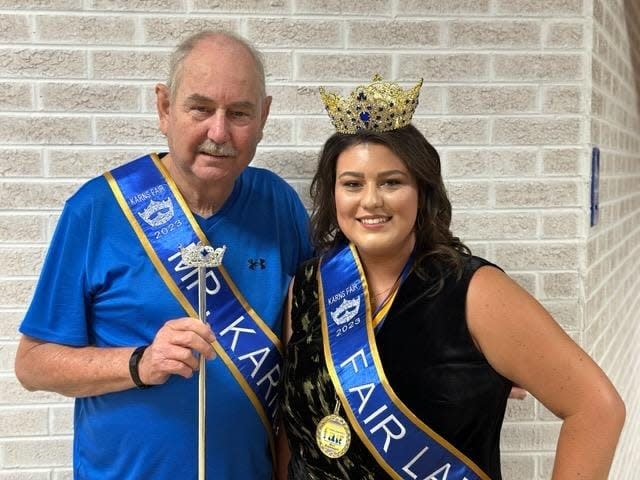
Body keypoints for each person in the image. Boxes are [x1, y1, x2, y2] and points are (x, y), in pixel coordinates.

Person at [278, 75, 625, 479]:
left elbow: (596, 409)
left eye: (391, 182)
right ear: (333, 194)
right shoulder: (309, 286)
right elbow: (297, 428)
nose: (370, 200)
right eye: (352, 184)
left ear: (422, 192)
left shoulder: (474, 291)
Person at [15, 30, 312, 479]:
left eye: (239, 113)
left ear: (264, 116)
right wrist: (139, 363)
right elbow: (32, 364)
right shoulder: (97, 209)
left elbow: (307, 349)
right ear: (164, 107)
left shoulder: (279, 205)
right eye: (200, 108)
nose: (219, 131)